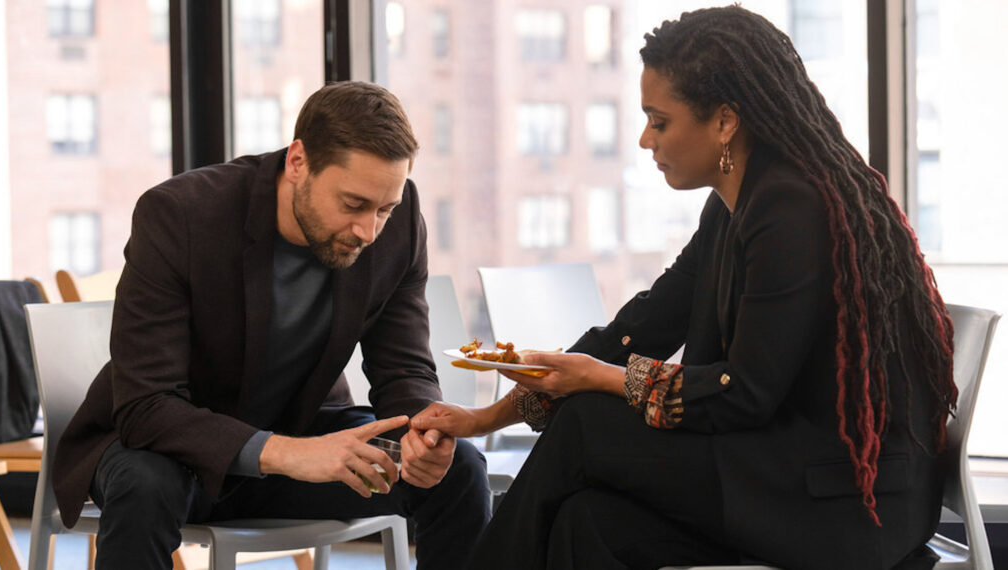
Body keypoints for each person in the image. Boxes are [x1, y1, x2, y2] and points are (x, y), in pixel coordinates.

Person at [412, 7, 956, 570]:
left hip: (844, 501)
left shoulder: (792, 207)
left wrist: (599, 380)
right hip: (776, 474)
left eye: (659, 120)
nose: (645, 138)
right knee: (587, 521)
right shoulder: (731, 207)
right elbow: (639, 329)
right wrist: (483, 419)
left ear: (724, 121)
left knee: (583, 425)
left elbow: (744, 393)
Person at [54, 81, 491, 570]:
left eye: (383, 210)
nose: (368, 231)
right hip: (171, 448)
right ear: (298, 161)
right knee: (145, 484)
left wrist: (423, 436)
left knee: (461, 470)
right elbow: (146, 405)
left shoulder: (402, 221)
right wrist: (287, 454)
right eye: (352, 205)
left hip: (300, 436)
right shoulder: (180, 214)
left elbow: (404, 368)